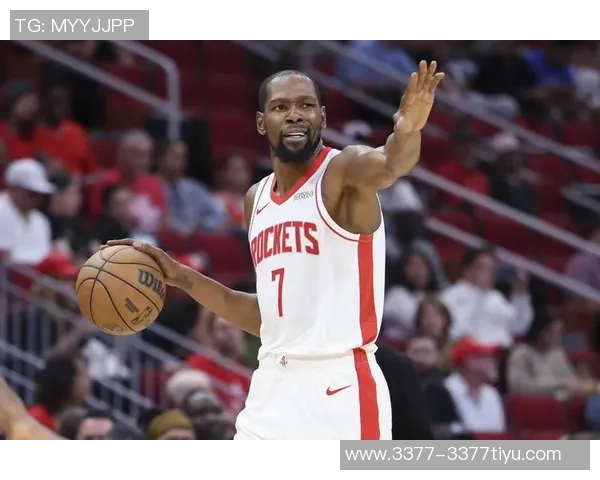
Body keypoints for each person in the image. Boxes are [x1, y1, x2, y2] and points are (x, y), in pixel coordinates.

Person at [0, 61, 444, 440]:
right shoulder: (257, 200)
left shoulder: (342, 171)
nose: (295, 115)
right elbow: (268, 317)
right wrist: (181, 276)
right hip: (272, 382)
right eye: (281, 107)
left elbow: (391, 163)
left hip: (339, 385)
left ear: (322, 117)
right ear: (261, 122)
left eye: (306, 105)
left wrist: (408, 129)